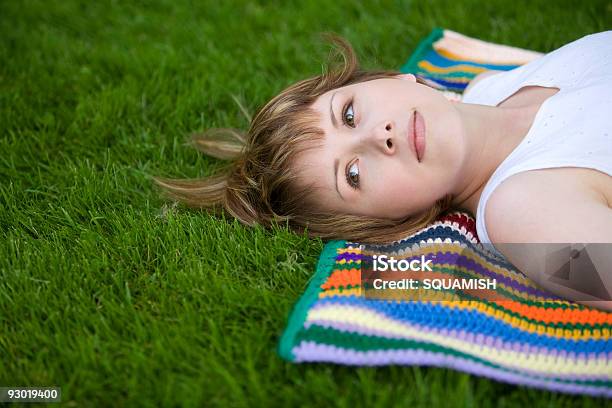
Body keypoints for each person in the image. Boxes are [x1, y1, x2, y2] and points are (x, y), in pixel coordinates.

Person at [155, 31, 612, 310]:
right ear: (389, 223)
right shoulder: (526, 212)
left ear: (390, 79)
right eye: (352, 174)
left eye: (349, 115)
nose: (378, 137)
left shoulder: (492, 86)